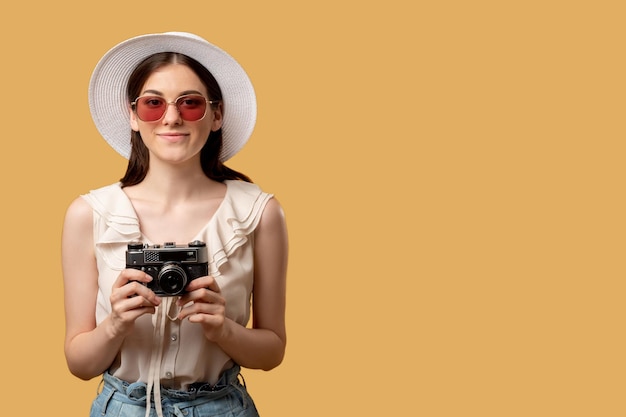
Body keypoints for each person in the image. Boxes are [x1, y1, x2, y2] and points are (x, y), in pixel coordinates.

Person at [61, 31, 288, 417]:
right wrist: (115, 323)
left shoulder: (259, 212)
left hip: (221, 406)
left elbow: (272, 352)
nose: (171, 117)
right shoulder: (89, 214)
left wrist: (222, 328)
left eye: (191, 104)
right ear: (132, 115)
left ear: (216, 115)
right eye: (153, 104)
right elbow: (79, 364)